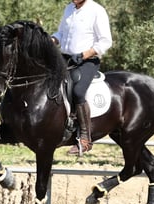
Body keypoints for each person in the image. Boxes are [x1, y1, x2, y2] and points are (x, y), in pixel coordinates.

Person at [52, 0, 112, 155]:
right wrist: (51, 40)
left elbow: (105, 41)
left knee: (78, 92)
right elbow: (61, 33)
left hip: (87, 61)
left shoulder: (97, 10)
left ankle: (85, 138)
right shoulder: (68, 9)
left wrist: (84, 55)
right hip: (66, 59)